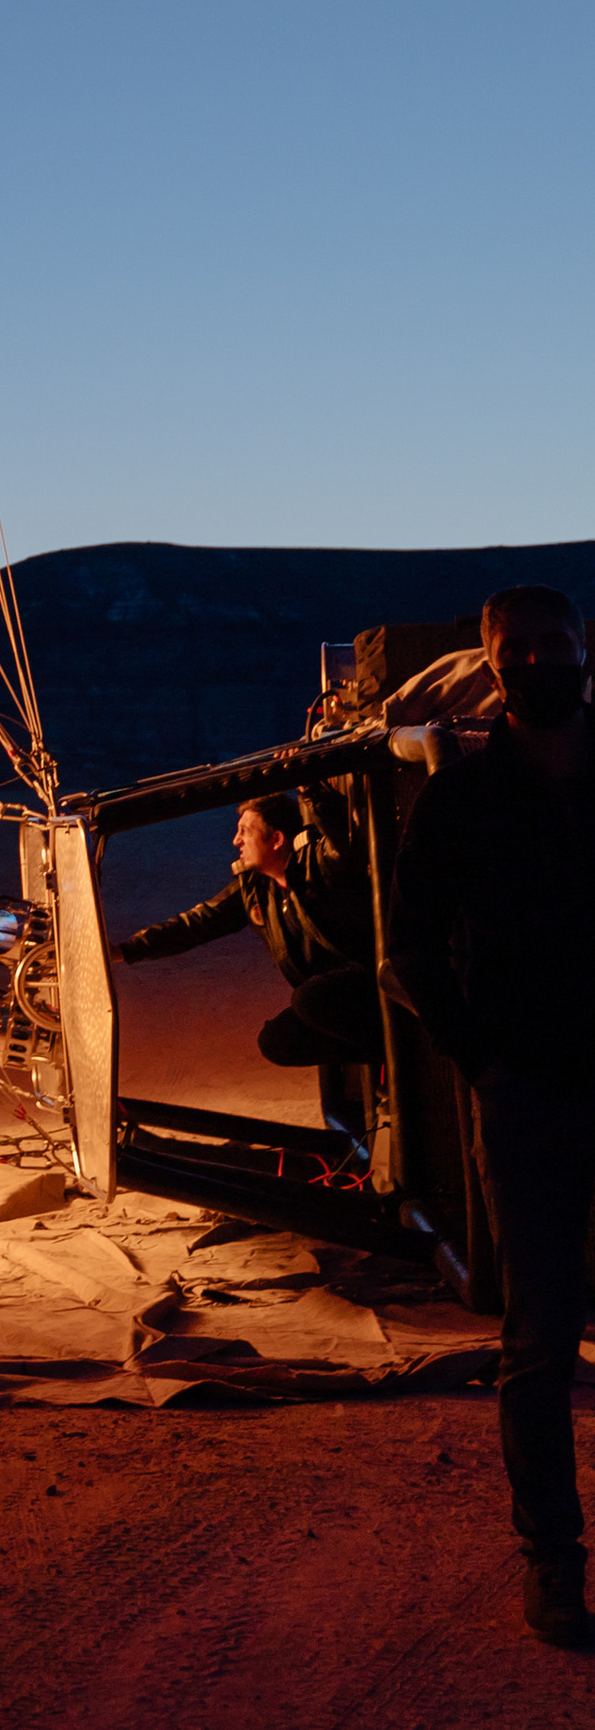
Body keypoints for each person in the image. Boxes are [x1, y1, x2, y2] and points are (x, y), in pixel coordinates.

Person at [393, 584, 595, 1648]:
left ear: (582, 649)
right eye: (515, 650)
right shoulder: (463, 801)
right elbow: (408, 951)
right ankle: (551, 1563)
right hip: (528, 1097)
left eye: (551, 645)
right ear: (492, 665)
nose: (537, 663)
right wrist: (484, 1063)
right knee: (539, 1339)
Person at [112, 792, 382, 1069]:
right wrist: (124, 950)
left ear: (276, 839)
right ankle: (383, 1059)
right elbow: (197, 924)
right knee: (277, 1040)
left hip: (369, 980)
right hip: (328, 1000)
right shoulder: (255, 889)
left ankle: (400, 1055)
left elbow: (344, 839)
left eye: (245, 832)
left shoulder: (318, 862)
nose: (236, 841)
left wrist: (310, 787)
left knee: (310, 999)